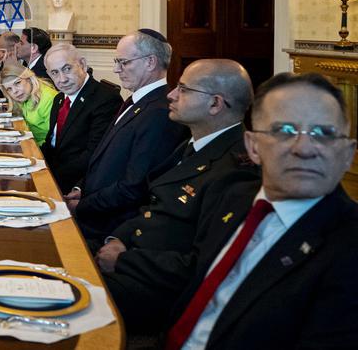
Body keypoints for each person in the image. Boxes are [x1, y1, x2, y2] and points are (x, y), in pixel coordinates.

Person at [116, 73, 358, 348]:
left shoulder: (348, 246)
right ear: (253, 147)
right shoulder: (234, 196)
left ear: (347, 153)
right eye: (285, 131)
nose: (304, 148)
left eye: (323, 133)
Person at [101, 60, 259, 331]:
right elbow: (153, 207)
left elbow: (200, 266)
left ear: (215, 104)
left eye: (184, 89)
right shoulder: (194, 144)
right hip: (135, 257)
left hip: (157, 291)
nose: (171, 94)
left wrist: (123, 260)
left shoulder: (236, 170)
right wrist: (118, 238)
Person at [65, 29, 187, 244]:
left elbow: (134, 186)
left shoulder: (159, 112)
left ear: (150, 62)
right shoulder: (136, 101)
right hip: (94, 211)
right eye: (116, 61)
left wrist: (83, 206)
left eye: (123, 62)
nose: (116, 69)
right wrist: (81, 188)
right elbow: (105, 158)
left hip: (108, 228)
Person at [40, 43, 123, 192]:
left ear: (82, 64)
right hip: (54, 175)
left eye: (67, 69)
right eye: (54, 73)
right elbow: (51, 144)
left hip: (78, 183)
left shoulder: (105, 99)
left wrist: (48, 176)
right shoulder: (59, 98)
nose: (62, 79)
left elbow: (94, 155)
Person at [0, 62, 58, 145]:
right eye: (9, 89)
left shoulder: (49, 99)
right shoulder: (25, 96)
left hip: (44, 150)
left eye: (17, 83)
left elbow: (55, 139)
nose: (15, 91)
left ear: (29, 79)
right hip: (30, 143)